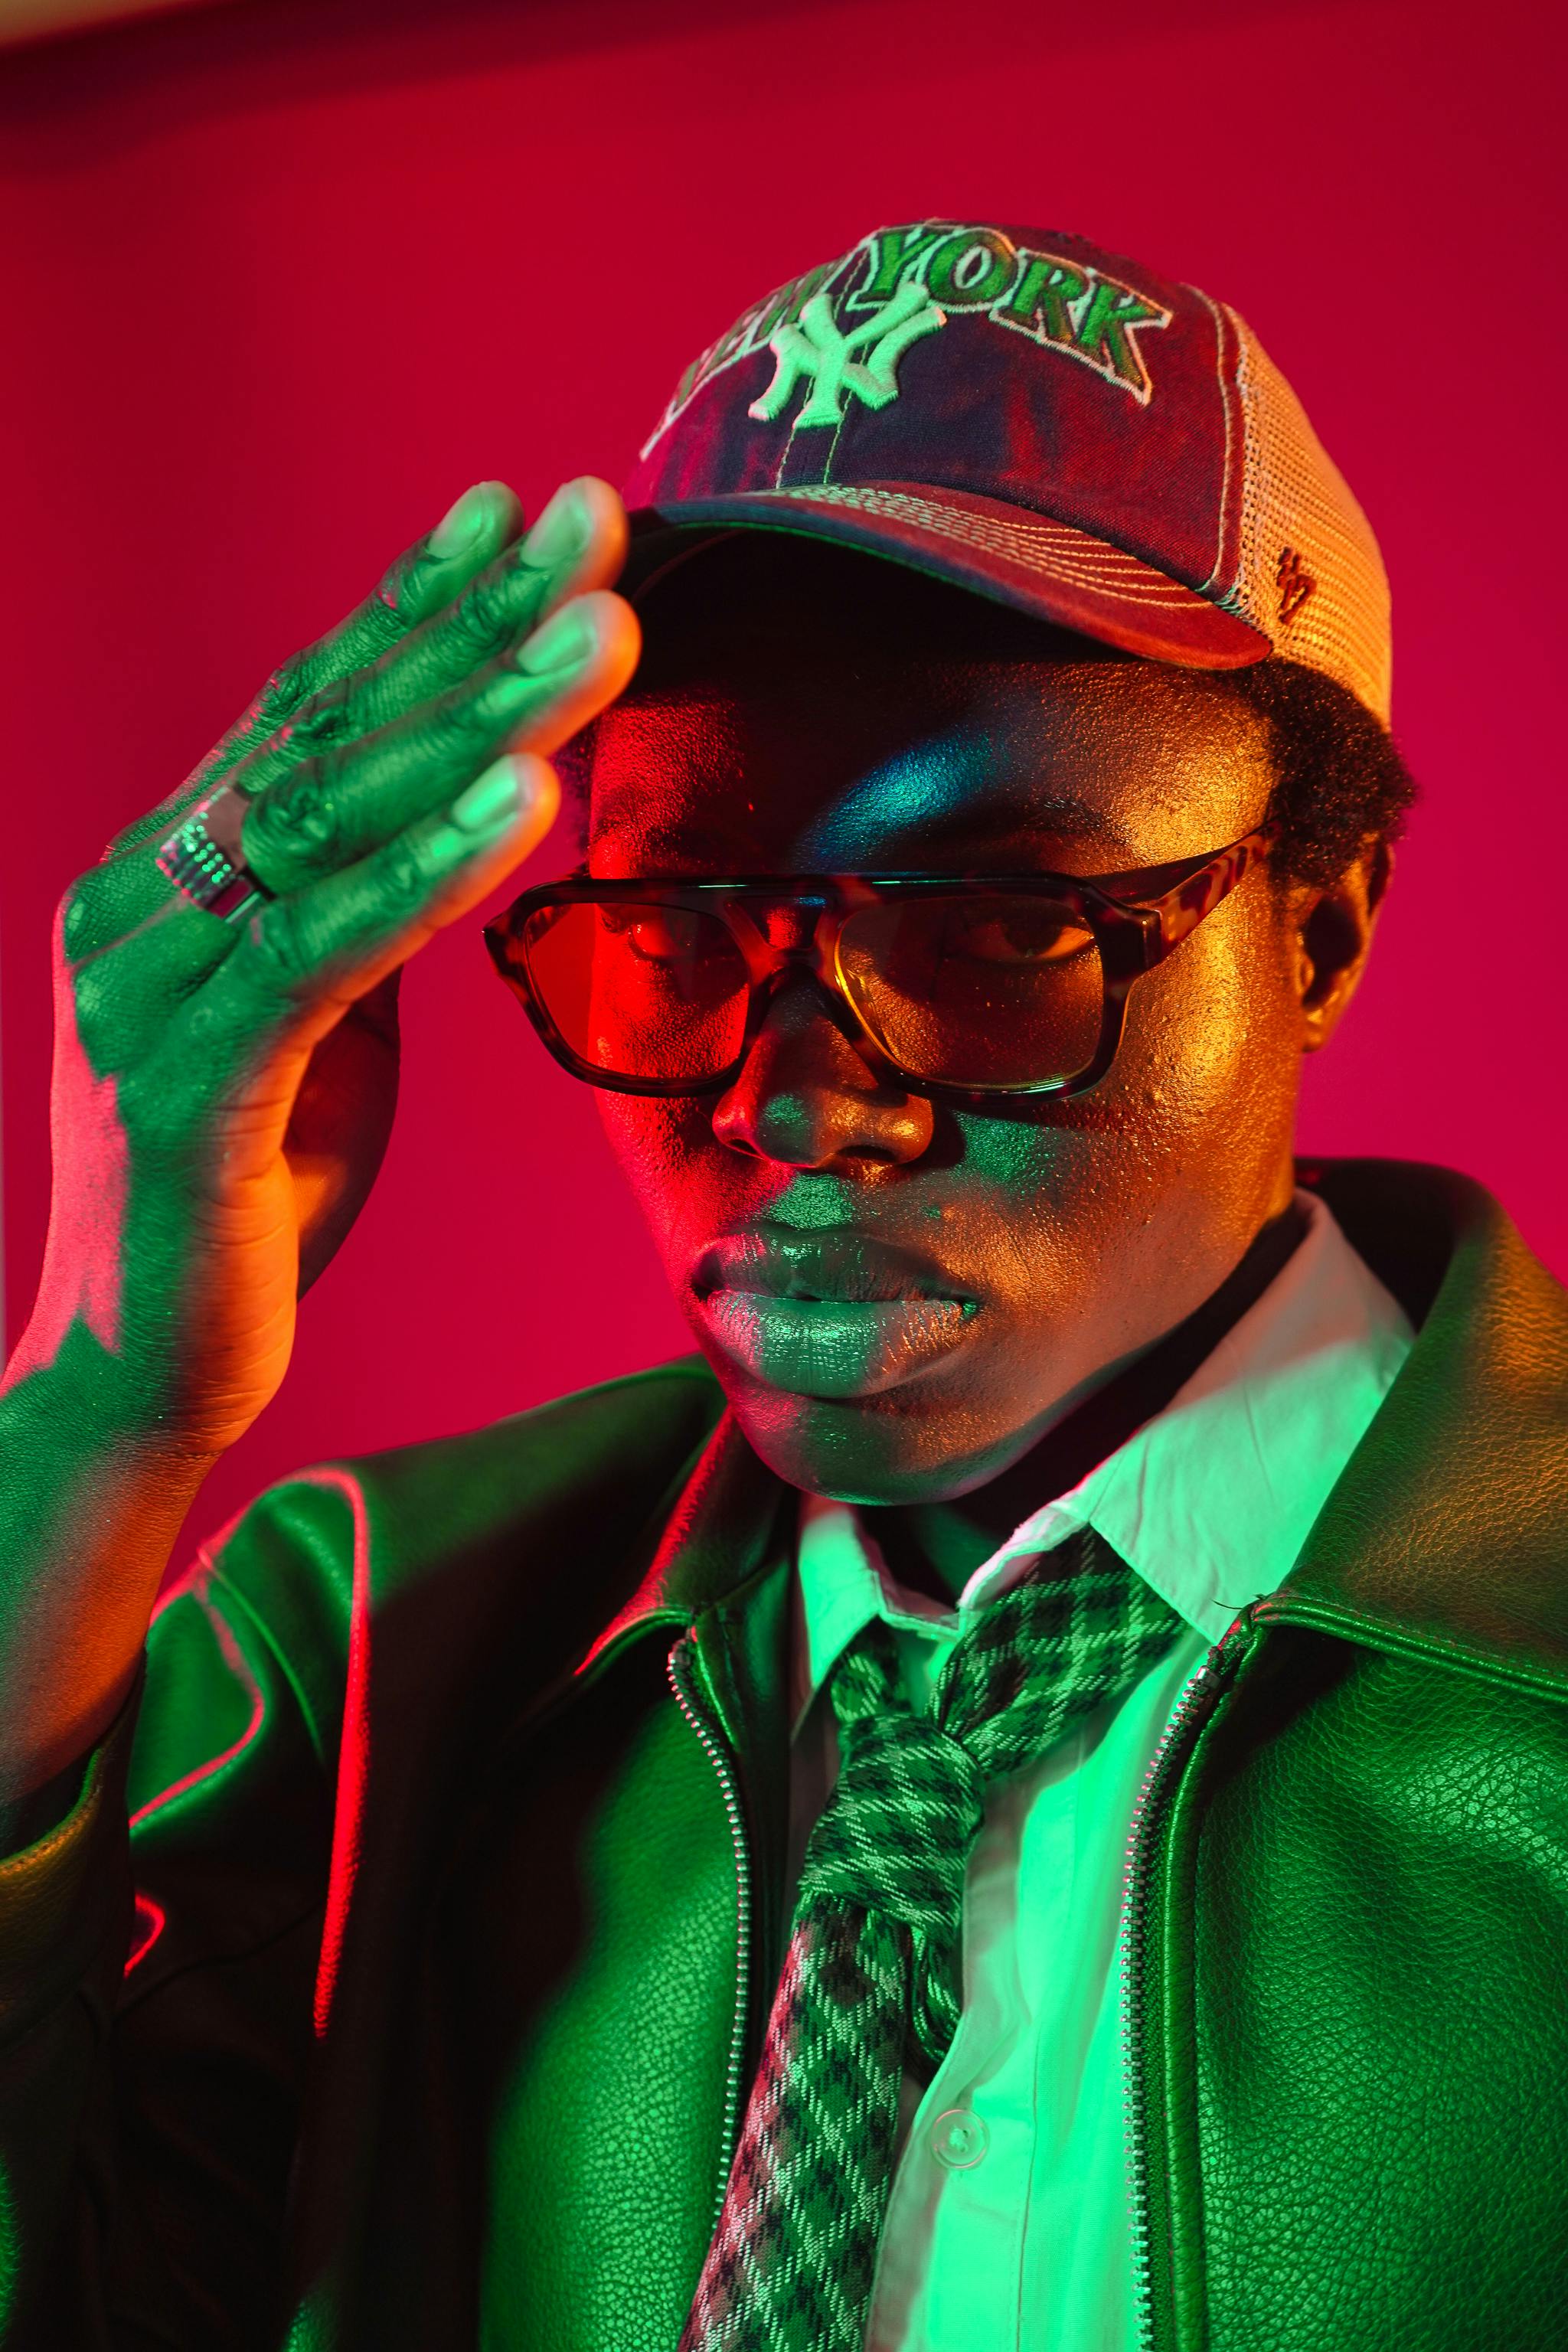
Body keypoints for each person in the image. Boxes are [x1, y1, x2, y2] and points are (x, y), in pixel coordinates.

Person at [0, 217, 1562, 2352]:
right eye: (681, 921)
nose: (803, 1105)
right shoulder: (352, 1668)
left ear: (1321, 925)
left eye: (995, 924)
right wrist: (90, 1408)